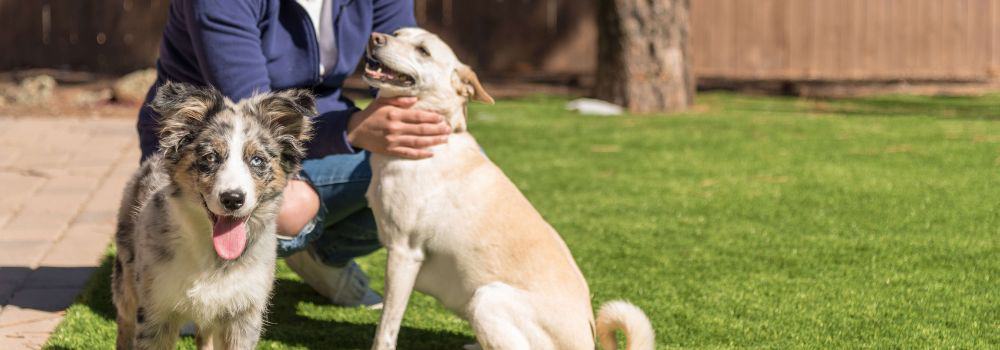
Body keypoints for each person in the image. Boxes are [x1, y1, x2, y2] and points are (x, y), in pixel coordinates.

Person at [136, 0, 449, 307]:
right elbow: (250, 115)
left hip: (306, 133)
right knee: (288, 208)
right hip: (216, 149)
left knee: (426, 165)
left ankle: (323, 256)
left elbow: (408, 77)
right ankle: (192, 278)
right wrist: (351, 128)